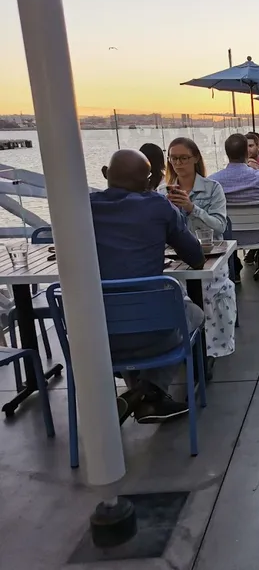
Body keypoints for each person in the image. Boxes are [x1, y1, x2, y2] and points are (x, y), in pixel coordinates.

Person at [91, 149, 205, 423]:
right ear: (150, 180)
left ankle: (138, 394)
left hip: (93, 338)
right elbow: (196, 258)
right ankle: (147, 394)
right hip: (152, 334)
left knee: (124, 317)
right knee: (194, 314)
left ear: (106, 174)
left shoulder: (82, 207)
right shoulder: (157, 206)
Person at [159, 137, 236, 359]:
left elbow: (220, 225)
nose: (178, 163)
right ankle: (181, 347)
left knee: (208, 292)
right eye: (173, 158)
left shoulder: (212, 188)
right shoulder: (163, 192)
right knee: (168, 292)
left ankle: (206, 350)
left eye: (183, 158)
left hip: (207, 256)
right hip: (173, 258)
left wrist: (192, 208)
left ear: (195, 159)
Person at [208, 134, 259, 280]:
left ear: (227, 154)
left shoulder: (213, 181)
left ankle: (235, 268)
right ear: (246, 153)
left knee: (223, 220)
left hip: (229, 235)